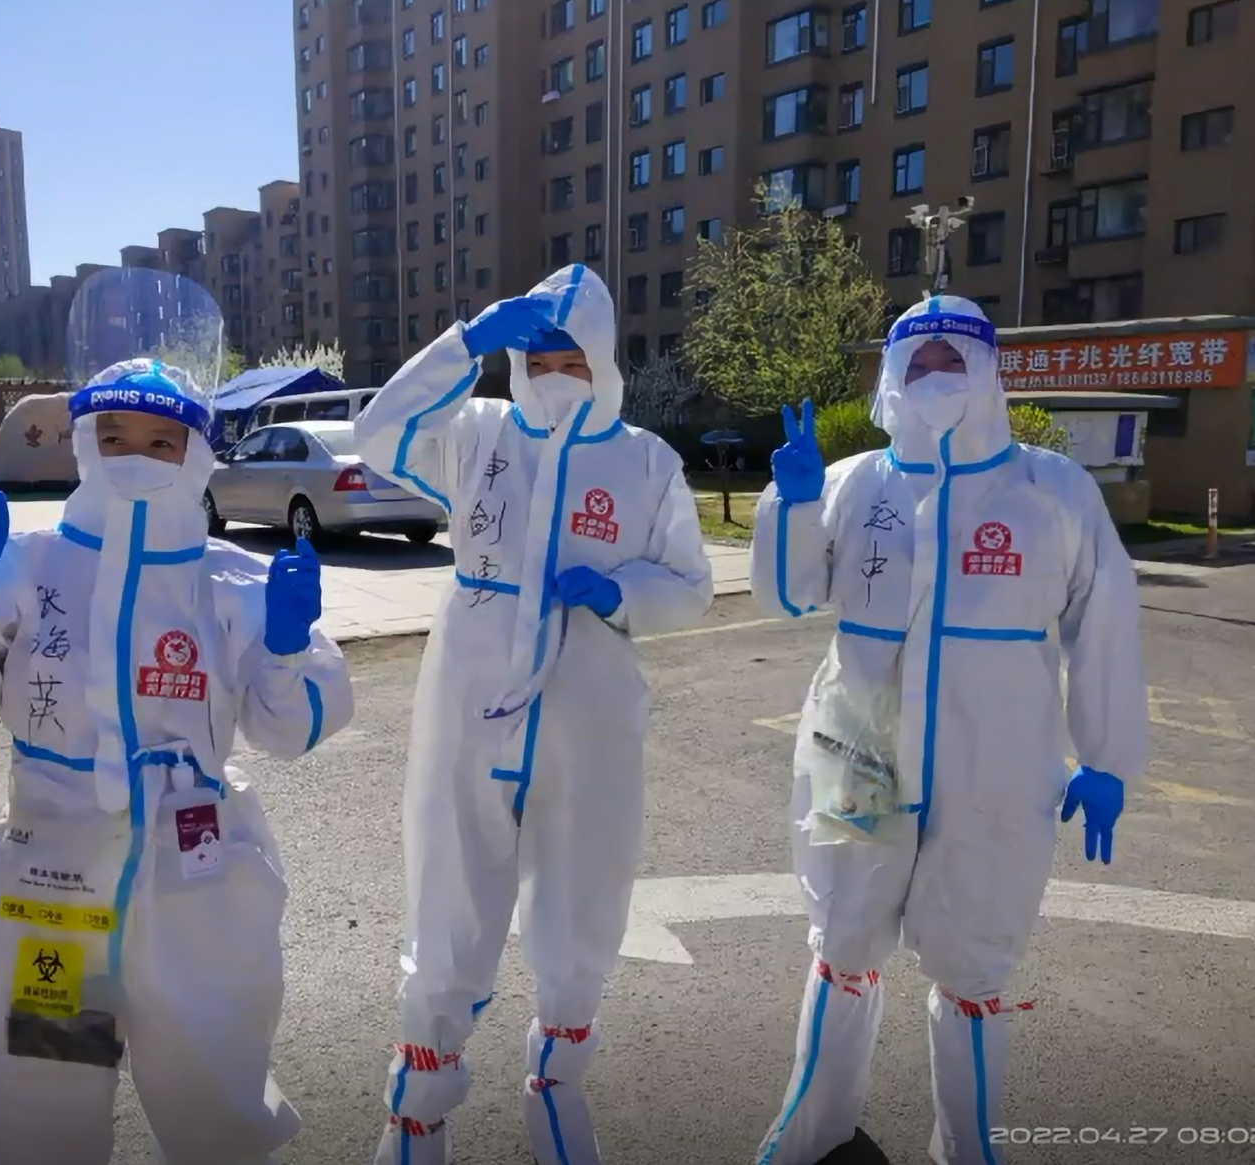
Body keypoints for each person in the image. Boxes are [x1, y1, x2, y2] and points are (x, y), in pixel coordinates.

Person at [0, 358, 355, 1165]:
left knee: (213, 1087)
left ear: (196, 452)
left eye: (160, 441)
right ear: (83, 443)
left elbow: (288, 730)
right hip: (55, 884)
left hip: (197, 877)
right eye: (112, 436)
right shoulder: (28, 565)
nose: (133, 457)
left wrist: (287, 647)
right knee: (43, 1093)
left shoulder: (230, 580)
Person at [748, 296, 1148, 1165]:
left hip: (997, 759)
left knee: (975, 960)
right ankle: (811, 1124)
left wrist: (1107, 756)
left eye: (953, 360)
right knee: (844, 938)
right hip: (858, 744)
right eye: (917, 363)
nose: (935, 378)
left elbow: (1105, 617)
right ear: (893, 376)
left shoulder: (1051, 490)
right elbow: (786, 597)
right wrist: (793, 505)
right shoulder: (855, 482)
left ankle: (970, 1144)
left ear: (990, 371)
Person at [354, 263, 714, 1165]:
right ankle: (416, 1112)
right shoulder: (474, 432)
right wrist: (463, 344)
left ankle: (558, 1087)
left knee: (584, 890)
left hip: (588, 711)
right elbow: (379, 432)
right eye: (537, 356)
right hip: (469, 699)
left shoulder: (645, 460)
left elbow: (691, 584)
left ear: (603, 359)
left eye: (571, 357)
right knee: (447, 890)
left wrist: (623, 592)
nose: (553, 372)